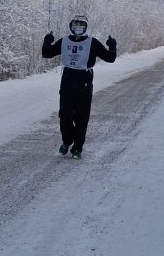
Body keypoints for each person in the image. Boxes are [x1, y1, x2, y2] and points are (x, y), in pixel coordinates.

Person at [41, 14, 117, 159]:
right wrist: (47, 40)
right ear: (71, 26)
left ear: (86, 27)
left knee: (82, 116)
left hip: (84, 80)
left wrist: (112, 45)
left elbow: (110, 58)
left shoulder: (92, 42)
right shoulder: (64, 41)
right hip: (68, 78)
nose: (78, 28)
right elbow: (47, 53)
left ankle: (77, 148)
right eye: (75, 25)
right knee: (65, 115)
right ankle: (67, 141)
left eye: (81, 26)